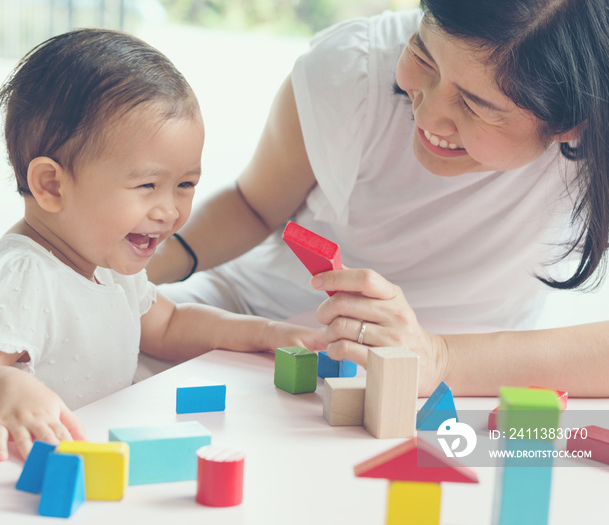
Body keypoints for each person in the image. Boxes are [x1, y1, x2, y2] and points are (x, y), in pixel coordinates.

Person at [147, 0, 609, 398]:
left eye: (472, 105)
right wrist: (123, 267)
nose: (426, 114)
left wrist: (440, 358)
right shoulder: (353, 70)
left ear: (571, 125)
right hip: (255, 320)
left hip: (463, 378)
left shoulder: (595, 131)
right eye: (423, 56)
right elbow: (252, 206)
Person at [0, 28, 324, 471]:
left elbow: (168, 325)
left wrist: (262, 332)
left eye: (185, 185)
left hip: (79, 474)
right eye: (147, 185)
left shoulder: (109, 260)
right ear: (52, 185)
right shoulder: (21, 277)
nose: (169, 210)